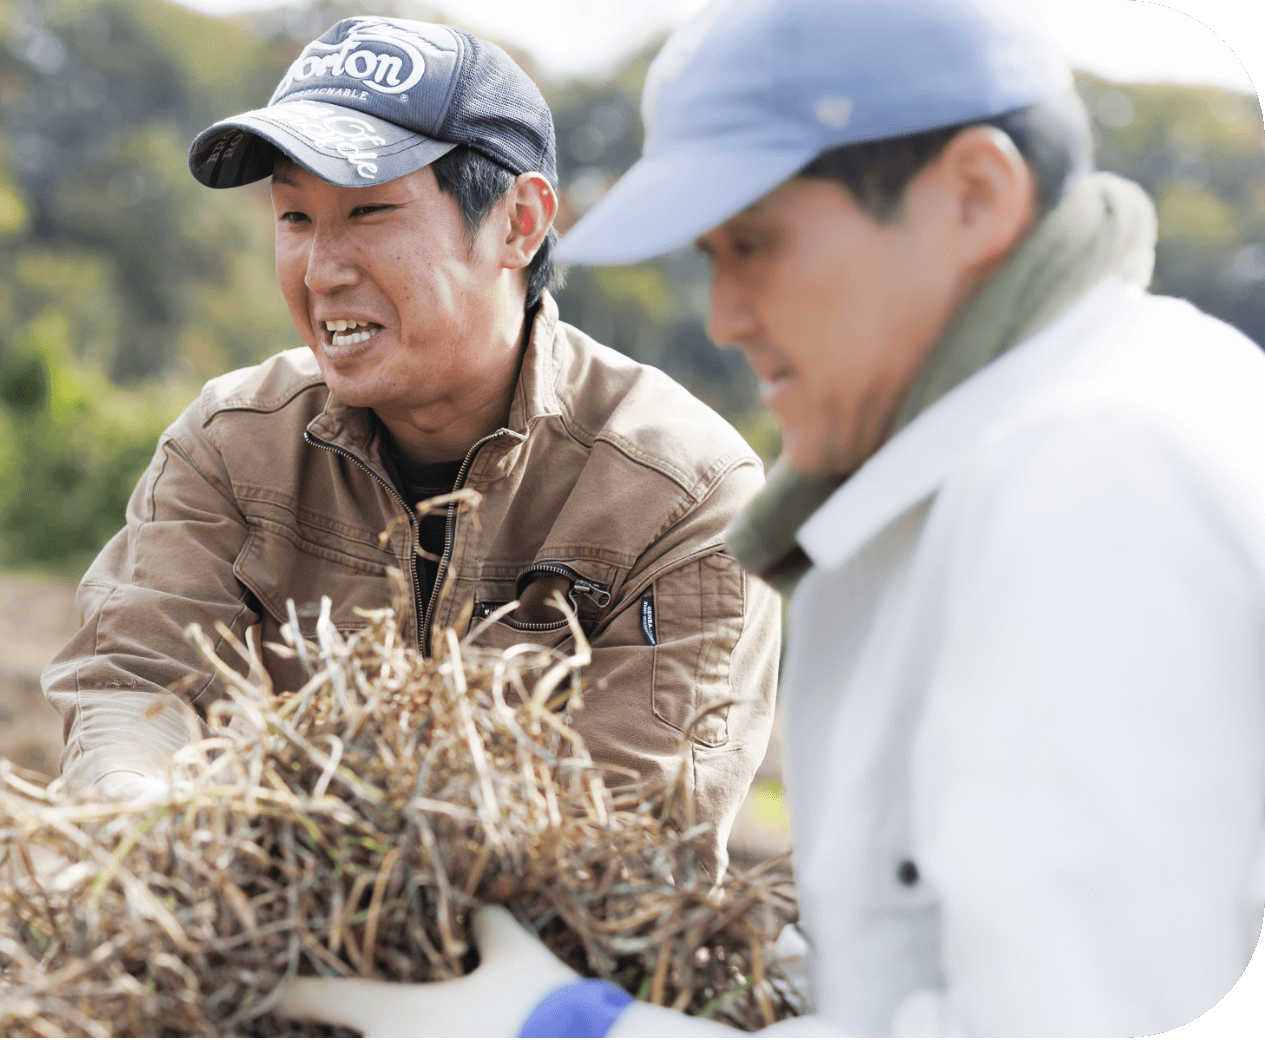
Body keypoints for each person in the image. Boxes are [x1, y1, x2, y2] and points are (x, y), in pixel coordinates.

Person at [278, 0, 1263, 1035]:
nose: (725, 315)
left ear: (972, 196)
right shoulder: (1034, 443)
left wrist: (580, 1028)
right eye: (712, 255)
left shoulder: (1086, 477)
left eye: (754, 244)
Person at [39, 15, 781, 877]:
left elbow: (632, 835)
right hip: (258, 938)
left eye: (369, 213)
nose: (321, 270)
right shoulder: (232, 442)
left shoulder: (682, 493)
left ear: (520, 223)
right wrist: (141, 812)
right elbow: (132, 680)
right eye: (294, 217)